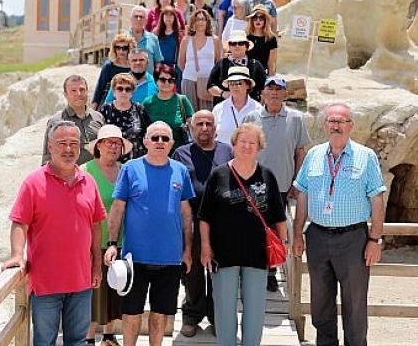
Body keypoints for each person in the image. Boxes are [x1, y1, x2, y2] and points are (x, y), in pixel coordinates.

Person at [291, 103, 387, 346]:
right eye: (331, 121)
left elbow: (377, 199)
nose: (335, 126)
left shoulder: (366, 156)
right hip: (317, 237)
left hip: (353, 239)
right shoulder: (313, 155)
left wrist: (375, 240)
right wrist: (298, 234)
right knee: (320, 300)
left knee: (354, 302)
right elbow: (302, 194)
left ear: (351, 126)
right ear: (325, 125)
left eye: (341, 121)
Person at [2, 121, 106, 346]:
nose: (68, 149)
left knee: (78, 342)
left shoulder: (89, 181)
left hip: (81, 282)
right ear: (50, 146)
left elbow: (96, 226)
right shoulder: (33, 182)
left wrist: (96, 265)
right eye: (62, 144)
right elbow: (19, 222)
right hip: (45, 283)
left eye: (73, 144)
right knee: (44, 342)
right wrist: (17, 255)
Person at [104, 121, 195, 346]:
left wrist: (187, 250)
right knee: (131, 313)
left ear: (172, 143)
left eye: (165, 138)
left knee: (160, 314)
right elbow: (117, 209)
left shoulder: (180, 170)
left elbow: (186, 213)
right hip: (134, 258)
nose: (160, 142)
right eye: (155, 138)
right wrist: (113, 243)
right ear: (145, 141)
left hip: (170, 258)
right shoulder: (129, 168)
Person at [198, 123, 287, 346]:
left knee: (255, 312)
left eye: (252, 142)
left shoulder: (268, 176)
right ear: (234, 144)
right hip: (223, 254)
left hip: (257, 255)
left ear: (259, 147)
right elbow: (205, 217)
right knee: (225, 311)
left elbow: (279, 217)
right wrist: (206, 247)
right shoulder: (218, 175)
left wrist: (281, 246)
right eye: (243, 142)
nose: (247, 146)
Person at [243, 75, 310, 292]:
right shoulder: (251, 117)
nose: (273, 93)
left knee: (274, 232)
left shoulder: (296, 119)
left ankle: (270, 272)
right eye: (269, 88)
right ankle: (251, 270)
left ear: (285, 94)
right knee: (252, 229)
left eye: (278, 89)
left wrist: (297, 181)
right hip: (253, 185)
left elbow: (300, 152)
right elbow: (243, 149)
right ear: (262, 93)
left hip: (281, 185)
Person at [172, 110, 234, 338]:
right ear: (191, 126)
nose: (205, 128)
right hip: (192, 220)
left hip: (221, 222)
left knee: (220, 272)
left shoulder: (227, 151)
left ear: (215, 128)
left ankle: (219, 316)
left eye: (209, 123)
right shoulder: (181, 153)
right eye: (200, 123)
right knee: (193, 271)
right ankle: (191, 315)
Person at [82, 125, 133, 346]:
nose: (113, 146)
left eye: (117, 143)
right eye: (108, 142)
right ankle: (89, 338)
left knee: (116, 291)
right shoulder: (85, 170)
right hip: (93, 242)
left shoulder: (127, 170)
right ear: (98, 146)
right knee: (94, 294)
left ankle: (110, 336)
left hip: (123, 242)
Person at [42, 75, 104, 165]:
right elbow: (47, 157)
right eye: (73, 91)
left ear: (87, 92)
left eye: (82, 90)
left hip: (96, 176)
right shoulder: (55, 122)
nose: (78, 94)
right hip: (68, 177)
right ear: (65, 95)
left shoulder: (98, 117)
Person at [99, 73, 151, 161]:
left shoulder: (139, 109)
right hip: (112, 161)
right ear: (114, 91)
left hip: (135, 160)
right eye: (120, 89)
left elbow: (148, 133)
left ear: (132, 92)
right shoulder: (106, 109)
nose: (124, 92)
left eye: (128, 89)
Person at [143, 64, 194, 151]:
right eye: (163, 80)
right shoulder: (148, 102)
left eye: (171, 80)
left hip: (178, 151)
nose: (167, 83)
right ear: (156, 81)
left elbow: (192, 124)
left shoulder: (182, 100)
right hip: (155, 151)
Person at [178, 9, 221, 112]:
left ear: (207, 22)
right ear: (193, 22)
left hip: (208, 83)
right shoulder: (186, 40)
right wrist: (191, 73)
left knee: (207, 114)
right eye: (197, 20)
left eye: (203, 19)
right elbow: (181, 62)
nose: (200, 22)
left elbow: (218, 62)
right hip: (189, 81)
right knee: (190, 115)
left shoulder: (214, 40)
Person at [207, 30, 267, 103]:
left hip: (251, 107)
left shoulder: (255, 65)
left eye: (241, 43)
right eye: (233, 43)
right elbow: (210, 86)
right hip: (224, 106)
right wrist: (223, 93)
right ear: (229, 47)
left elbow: (264, 88)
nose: (237, 46)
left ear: (246, 46)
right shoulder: (221, 64)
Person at [211, 66, 261, 146]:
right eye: (231, 83)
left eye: (239, 83)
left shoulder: (258, 108)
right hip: (223, 156)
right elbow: (212, 135)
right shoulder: (218, 108)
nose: (235, 87)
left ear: (248, 85)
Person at [92, 34, 135, 110]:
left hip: (129, 104)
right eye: (118, 48)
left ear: (130, 49)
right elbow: (99, 88)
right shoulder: (109, 66)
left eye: (124, 48)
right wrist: (93, 110)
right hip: (108, 105)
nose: (121, 51)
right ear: (114, 49)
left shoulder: (134, 66)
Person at [154, 6, 183, 92]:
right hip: (159, 68)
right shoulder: (156, 33)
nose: (168, 18)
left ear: (175, 17)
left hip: (174, 69)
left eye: (171, 15)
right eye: (166, 15)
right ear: (162, 17)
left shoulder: (179, 35)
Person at [128, 6, 164, 76]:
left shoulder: (153, 39)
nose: (138, 19)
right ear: (131, 19)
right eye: (136, 16)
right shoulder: (123, 39)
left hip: (147, 83)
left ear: (146, 20)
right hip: (126, 84)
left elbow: (158, 62)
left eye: (141, 17)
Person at [245, 4, 278, 76]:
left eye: (261, 18)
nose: (258, 20)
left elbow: (271, 63)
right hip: (246, 74)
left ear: (265, 20)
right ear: (251, 20)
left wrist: (270, 80)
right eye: (255, 17)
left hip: (262, 74)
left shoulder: (271, 38)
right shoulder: (246, 37)